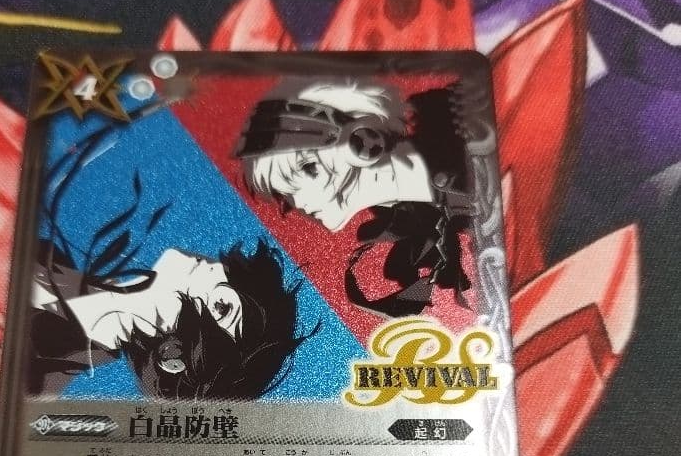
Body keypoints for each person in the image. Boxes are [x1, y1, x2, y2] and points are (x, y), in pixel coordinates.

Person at [30, 120, 306, 399]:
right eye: (231, 272)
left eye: (221, 306)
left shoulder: (34, 377)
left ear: (172, 355)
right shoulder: (53, 260)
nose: (217, 268)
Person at [236, 79, 472, 317]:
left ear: (363, 140)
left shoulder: (464, 123)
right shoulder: (415, 229)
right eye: (286, 193)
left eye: (308, 168)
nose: (299, 202)